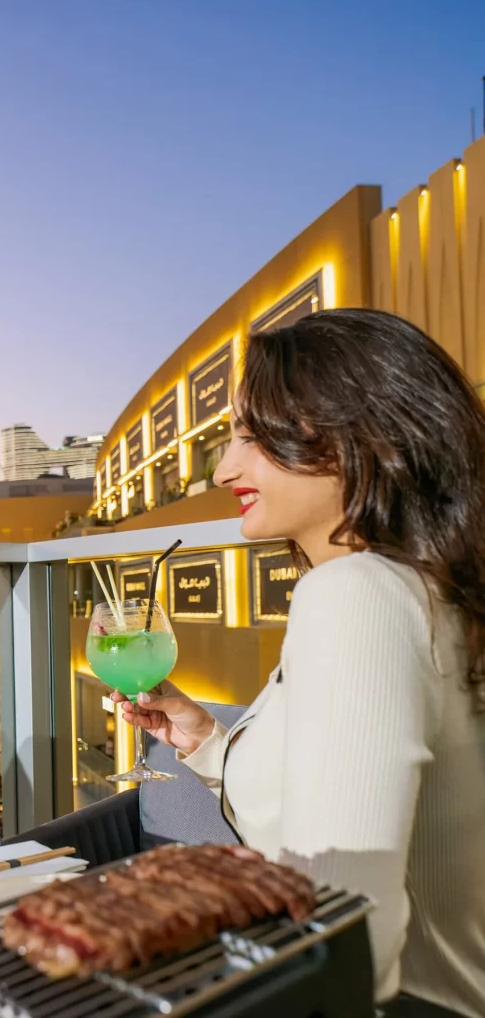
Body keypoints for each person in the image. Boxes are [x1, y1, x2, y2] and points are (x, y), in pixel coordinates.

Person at [113, 310, 485, 1018]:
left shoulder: (357, 595)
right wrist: (209, 742)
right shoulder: (430, 586)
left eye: (251, 437)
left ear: (360, 436)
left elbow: (344, 937)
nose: (225, 468)